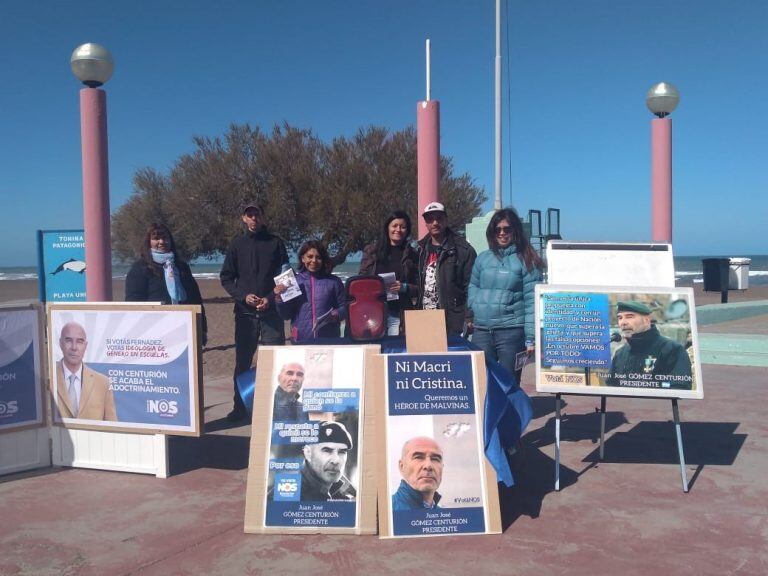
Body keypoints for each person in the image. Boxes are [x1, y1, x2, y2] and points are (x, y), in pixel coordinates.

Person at [220, 202, 289, 422]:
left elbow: (286, 276)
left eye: (257, 215)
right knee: (242, 362)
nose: (253, 219)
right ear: (243, 218)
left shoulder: (276, 243)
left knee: (275, 361)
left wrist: (269, 298)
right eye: (249, 215)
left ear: (262, 217)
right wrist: (243, 296)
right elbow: (226, 278)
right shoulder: (236, 245)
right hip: (245, 314)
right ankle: (239, 407)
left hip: (272, 313)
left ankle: (275, 408)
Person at [468, 208, 543, 381]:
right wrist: (474, 308)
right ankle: (490, 410)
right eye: (497, 229)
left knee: (509, 382)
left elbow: (533, 302)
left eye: (507, 229)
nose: (502, 233)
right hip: (482, 331)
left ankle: (511, 409)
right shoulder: (482, 258)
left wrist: (530, 338)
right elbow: (473, 285)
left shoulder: (527, 259)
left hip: (511, 332)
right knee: (483, 381)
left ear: (515, 231)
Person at [125, 223, 207, 344]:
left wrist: (202, 328)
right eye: (156, 238)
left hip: (185, 327)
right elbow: (133, 303)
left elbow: (196, 298)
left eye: (165, 238)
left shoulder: (181, 266)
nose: (162, 241)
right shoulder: (140, 268)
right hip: (154, 332)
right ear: (148, 242)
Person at [417, 202, 477, 335]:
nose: (435, 222)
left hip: (452, 319)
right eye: (430, 219)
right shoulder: (420, 250)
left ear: (446, 220)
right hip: (425, 318)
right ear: (425, 223)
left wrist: (469, 316)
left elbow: (471, 286)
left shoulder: (463, 250)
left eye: (439, 218)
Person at [606, 301, 694, 390]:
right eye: (620, 318)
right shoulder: (620, 354)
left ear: (647, 320)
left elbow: (680, 387)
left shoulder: (672, 350)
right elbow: (611, 387)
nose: (623, 322)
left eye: (629, 317)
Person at [359, 210, 419, 336]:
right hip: (373, 310)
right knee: (375, 349)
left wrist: (404, 287)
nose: (398, 229)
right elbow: (361, 280)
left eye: (403, 227)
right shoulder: (371, 251)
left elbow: (419, 287)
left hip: (398, 312)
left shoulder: (412, 254)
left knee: (395, 349)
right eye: (395, 225)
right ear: (387, 227)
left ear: (407, 231)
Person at [274, 241, 346, 342]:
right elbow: (286, 315)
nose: (314, 261)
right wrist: (279, 298)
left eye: (318, 257)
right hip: (300, 339)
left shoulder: (334, 282)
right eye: (310, 256)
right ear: (303, 258)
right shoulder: (294, 282)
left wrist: (336, 314)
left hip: (329, 339)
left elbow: (345, 308)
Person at [55, 322, 117, 421]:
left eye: (79, 341)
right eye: (68, 341)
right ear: (60, 343)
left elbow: (112, 426)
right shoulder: (48, 377)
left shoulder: (103, 383)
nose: (74, 347)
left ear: (85, 346)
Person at [300, 421, 356, 501]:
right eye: (327, 450)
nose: (336, 460)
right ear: (308, 453)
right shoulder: (292, 493)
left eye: (342, 452)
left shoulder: (342, 491)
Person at [391, 436, 444, 510]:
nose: (428, 465)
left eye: (435, 459)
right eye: (418, 457)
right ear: (402, 466)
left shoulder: (446, 518)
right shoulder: (387, 511)